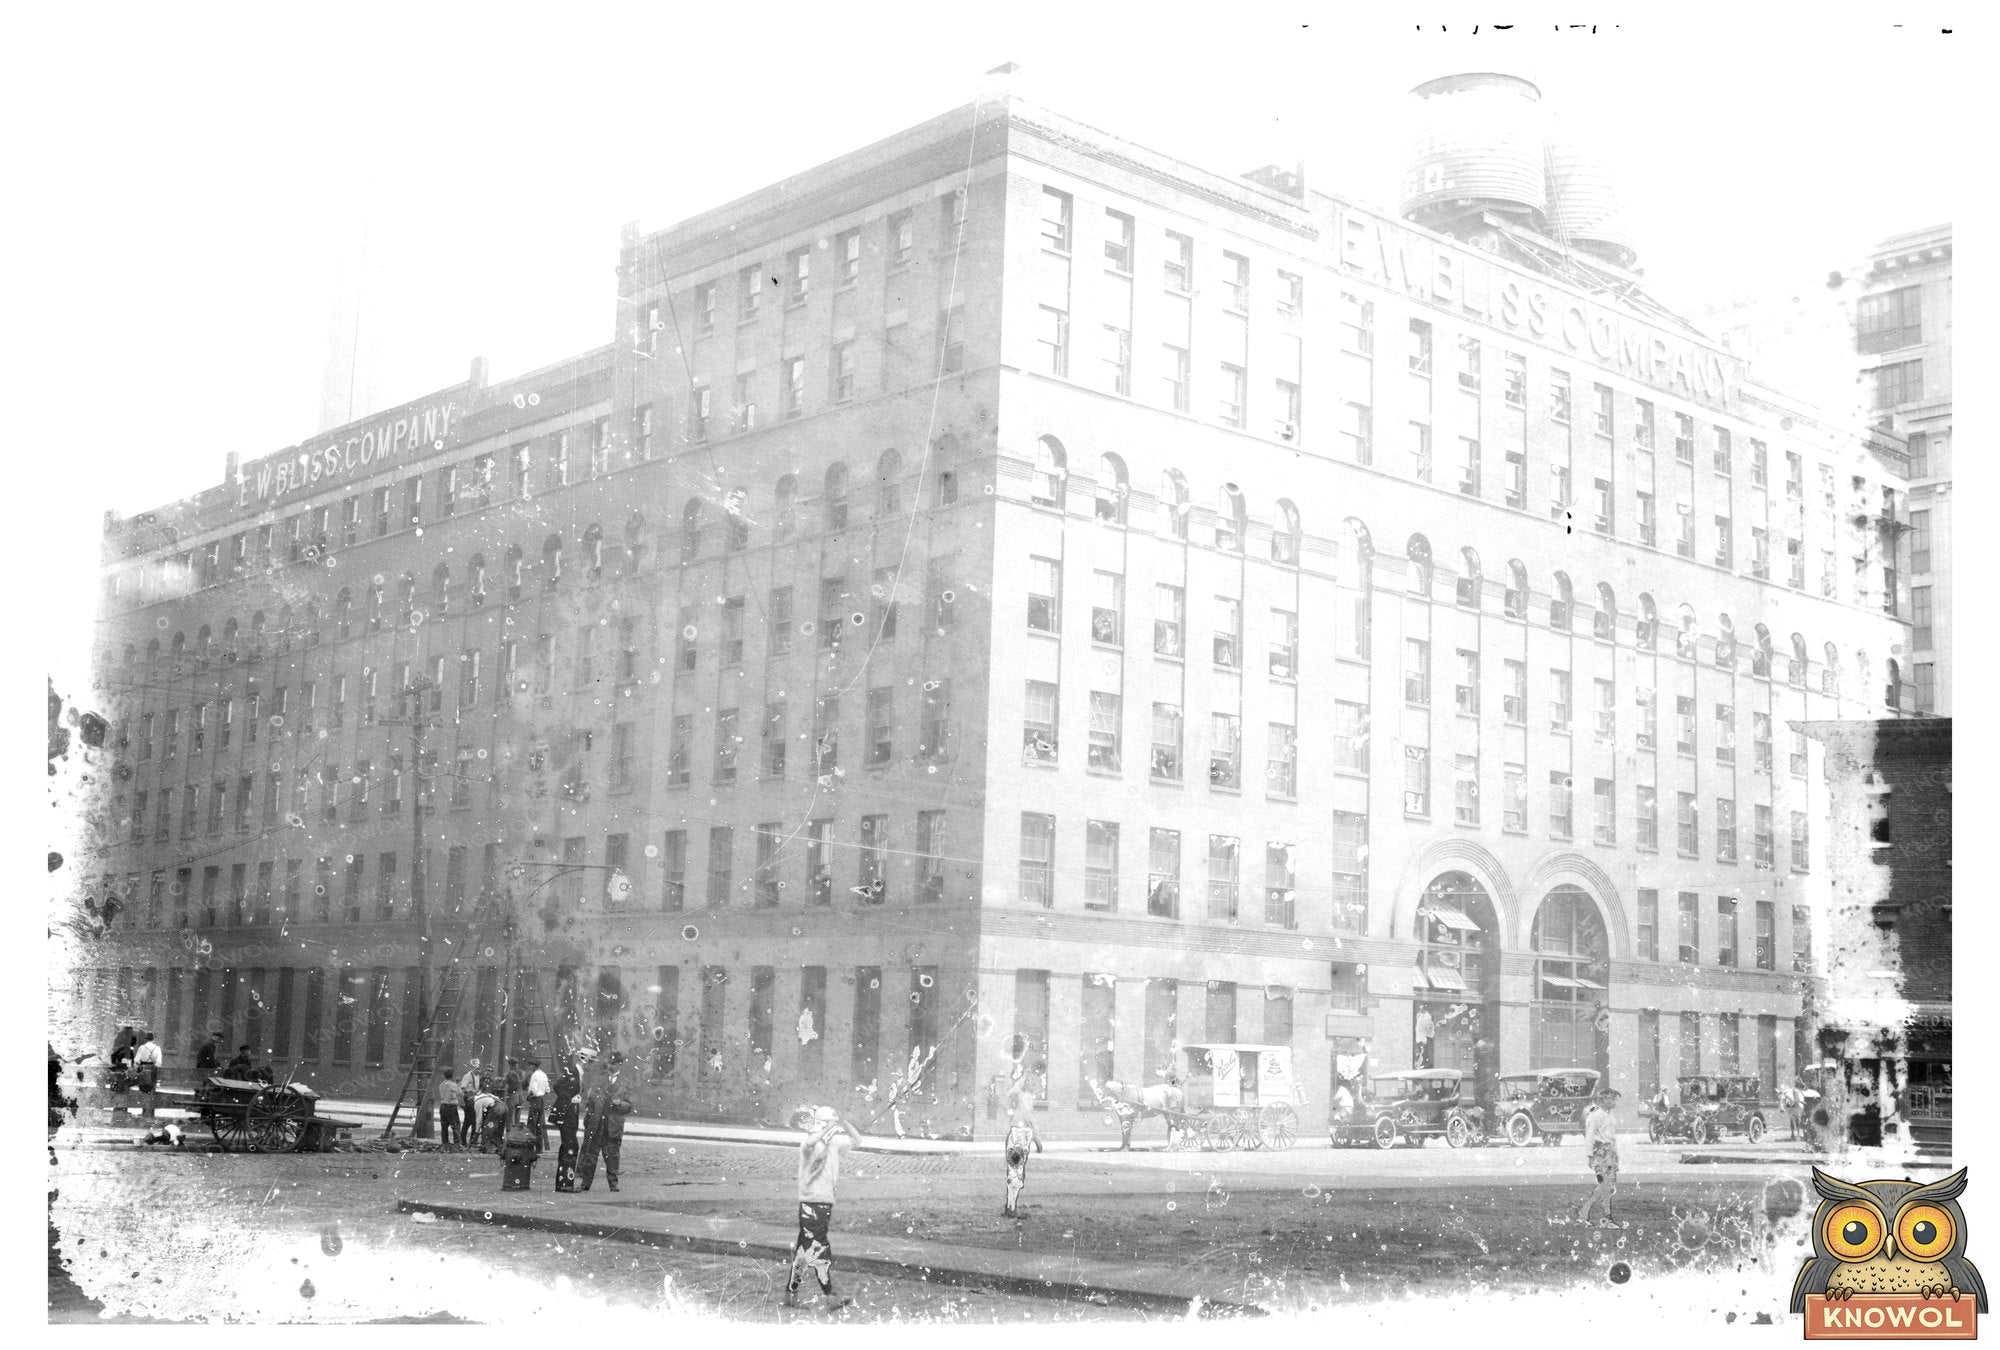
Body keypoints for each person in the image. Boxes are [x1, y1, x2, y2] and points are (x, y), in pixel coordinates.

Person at [786, 1105, 862, 1309]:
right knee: (820, 1249)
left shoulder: (834, 1143)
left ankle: (790, 1295)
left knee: (804, 1252)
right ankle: (830, 1296)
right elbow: (811, 1141)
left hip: (823, 1201)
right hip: (812, 1203)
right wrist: (829, 1127)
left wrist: (844, 1122)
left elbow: (857, 1140)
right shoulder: (809, 1143)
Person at [576, 1052, 631, 1192]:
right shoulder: (599, 1080)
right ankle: (585, 1183)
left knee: (612, 1156)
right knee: (590, 1156)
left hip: (613, 1127)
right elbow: (591, 1102)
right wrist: (588, 1122)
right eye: (609, 1063)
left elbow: (629, 1106)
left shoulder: (625, 1083)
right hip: (597, 1125)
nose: (610, 1066)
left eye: (613, 1063)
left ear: (619, 1064)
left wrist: (620, 1104)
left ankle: (613, 1184)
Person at [1578, 1088, 1622, 1227]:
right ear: (1604, 1099)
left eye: (1615, 1099)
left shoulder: (1609, 1116)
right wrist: (1590, 1155)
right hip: (1601, 1153)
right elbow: (1590, 1135)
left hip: (1610, 1153)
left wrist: (1615, 1156)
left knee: (1608, 1187)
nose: (1614, 1101)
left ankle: (1602, 1217)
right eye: (1612, 1098)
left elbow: (1611, 1138)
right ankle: (1586, 1214)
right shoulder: (1595, 1116)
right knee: (1605, 1186)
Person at [1001, 1088, 1042, 1218]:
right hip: (1020, 1135)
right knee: (1016, 1173)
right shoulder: (1025, 1096)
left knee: (1013, 1172)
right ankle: (1011, 1208)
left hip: (1016, 1133)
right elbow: (1027, 1115)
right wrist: (1036, 1135)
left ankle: (1010, 1206)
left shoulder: (1019, 1095)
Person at [552, 1055, 585, 1191]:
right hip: (566, 1116)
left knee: (568, 1147)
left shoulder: (576, 1074)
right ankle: (565, 1184)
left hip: (568, 1116)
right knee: (570, 1148)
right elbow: (557, 1085)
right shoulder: (572, 1072)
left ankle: (563, 1183)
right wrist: (569, 1099)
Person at [132, 1031, 162, 1118]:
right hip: (152, 1070)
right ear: (153, 1039)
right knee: (151, 1090)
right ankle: (149, 1112)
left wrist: (137, 1066)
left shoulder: (142, 1047)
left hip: (143, 1069)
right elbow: (159, 1062)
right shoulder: (157, 1048)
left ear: (146, 1039)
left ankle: (144, 1110)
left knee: (143, 1089)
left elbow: (136, 1060)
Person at [524, 1059, 551, 1149]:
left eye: (530, 1065)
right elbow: (548, 1090)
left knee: (532, 1124)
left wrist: (532, 1094)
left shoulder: (534, 1075)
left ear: (534, 1066)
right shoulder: (543, 1075)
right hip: (541, 1101)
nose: (529, 1067)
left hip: (534, 1100)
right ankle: (539, 1147)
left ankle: (530, 1147)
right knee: (540, 1124)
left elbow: (534, 1090)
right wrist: (541, 1091)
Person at [458, 1059, 483, 1144]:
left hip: (475, 1099)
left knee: (471, 1121)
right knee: (470, 1121)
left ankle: (468, 1140)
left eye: (479, 1068)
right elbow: (463, 1088)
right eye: (476, 1068)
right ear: (473, 1068)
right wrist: (462, 1101)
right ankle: (466, 1140)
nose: (478, 1070)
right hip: (469, 1099)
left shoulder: (478, 1076)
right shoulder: (468, 1075)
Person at [436, 1069, 463, 1146]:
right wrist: (457, 1084)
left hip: (443, 1106)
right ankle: (457, 1143)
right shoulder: (453, 1085)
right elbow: (459, 1092)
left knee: (444, 1126)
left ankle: (445, 1143)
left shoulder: (441, 1085)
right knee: (455, 1125)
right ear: (452, 1075)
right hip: (451, 1107)